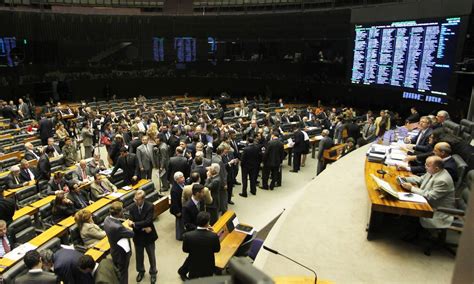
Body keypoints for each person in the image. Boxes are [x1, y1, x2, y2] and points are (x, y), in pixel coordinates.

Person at [401, 156, 455, 229]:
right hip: (427, 202)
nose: (425, 167)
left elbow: (430, 196)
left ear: (436, 168)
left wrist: (412, 188)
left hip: (436, 210)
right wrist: (404, 179)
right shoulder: (433, 171)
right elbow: (420, 179)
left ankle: (412, 233)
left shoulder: (442, 180)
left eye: (427, 165)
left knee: (406, 204)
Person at [129, 190, 158, 283]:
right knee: (139, 256)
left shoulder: (150, 206)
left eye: (138, 200)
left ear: (143, 199)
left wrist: (135, 224)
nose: (136, 201)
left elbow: (148, 221)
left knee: (151, 256)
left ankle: (153, 273)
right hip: (138, 236)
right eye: (135, 199)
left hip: (149, 236)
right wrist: (142, 227)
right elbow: (130, 222)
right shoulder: (132, 207)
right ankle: (141, 271)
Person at [182, 212, 220, 279]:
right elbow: (217, 250)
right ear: (208, 223)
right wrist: (212, 233)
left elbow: (185, 250)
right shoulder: (214, 236)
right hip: (208, 264)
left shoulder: (187, 236)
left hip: (194, 263)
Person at [104, 201, 134, 284]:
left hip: (114, 251)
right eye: (122, 210)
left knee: (118, 273)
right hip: (121, 253)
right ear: (119, 212)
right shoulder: (117, 227)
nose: (123, 211)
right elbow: (131, 234)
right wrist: (130, 226)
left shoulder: (106, 219)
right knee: (123, 274)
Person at [170, 171, 186, 241]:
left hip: (183, 207)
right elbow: (174, 202)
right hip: (178, 209)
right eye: (181, 178)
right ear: (177, 180)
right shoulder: (174, 189)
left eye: (183, 176)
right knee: (179, 223)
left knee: (183, 222)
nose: (183, 178)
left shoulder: (183, 184)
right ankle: (179, 236)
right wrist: (178, 211)